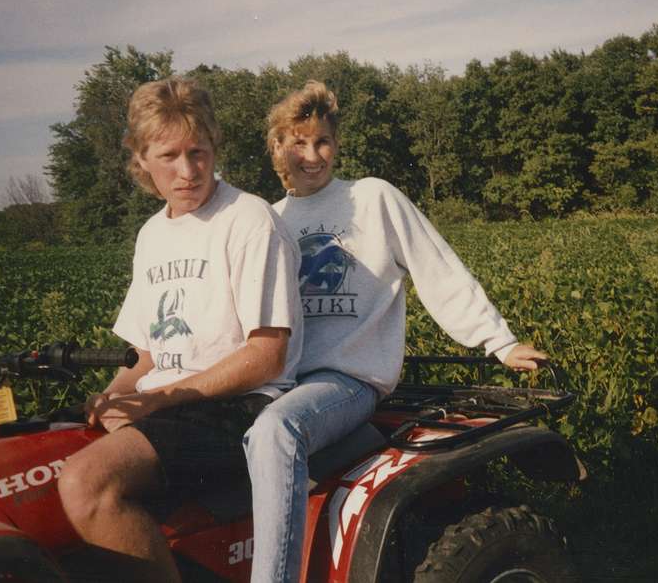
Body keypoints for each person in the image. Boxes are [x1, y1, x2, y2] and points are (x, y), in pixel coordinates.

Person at [243, 80, 547, 583]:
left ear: (337, 145)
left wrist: (499, 340)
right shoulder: (269, 220)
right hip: (283, 383)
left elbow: (437, 267)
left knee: (278, 430)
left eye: (322, 142)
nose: (312, 155)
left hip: (346, 379)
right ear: (277, 147)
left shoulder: (372, 198)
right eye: (298, 142)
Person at [57, 77, 303, 583]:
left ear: (215, 148)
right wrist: (111, 396)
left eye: (199, 152)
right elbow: (146, 354)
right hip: (177, 405)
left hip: (240, 411)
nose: (188, 171)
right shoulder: (152, 235)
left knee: (86, 481)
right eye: (169, 155)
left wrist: (156, 400)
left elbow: (266, 355)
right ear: (141, 159)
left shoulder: (248, 220)